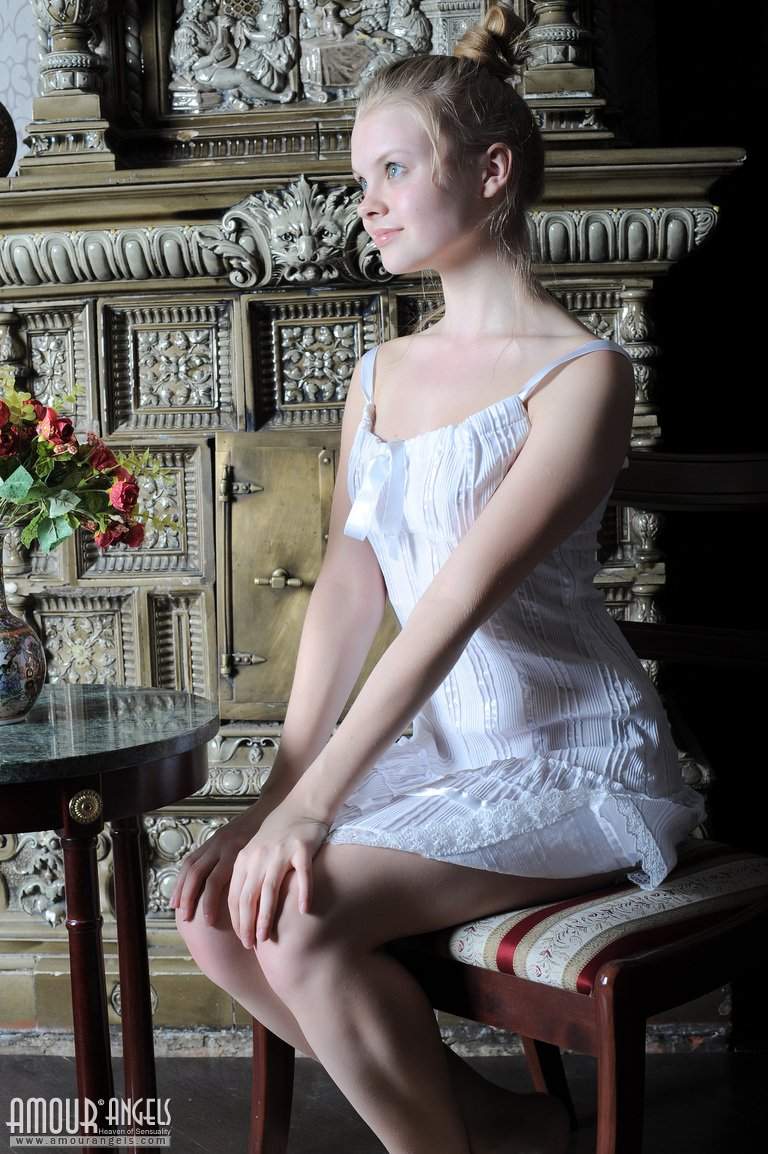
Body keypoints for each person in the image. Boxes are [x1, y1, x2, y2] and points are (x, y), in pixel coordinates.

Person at [170, 5, 706, 1153]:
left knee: (295, 914)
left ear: (492, 171)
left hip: (569, 755)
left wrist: (314, 809)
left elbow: (455, 606)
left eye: (394, 170)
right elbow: (350, 583)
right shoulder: (378, 375)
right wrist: (280, 789)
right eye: (361, 177)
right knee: (212, 911)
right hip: (448, 749)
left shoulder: (583, 375)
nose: (367, 201)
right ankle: (499, 1126)